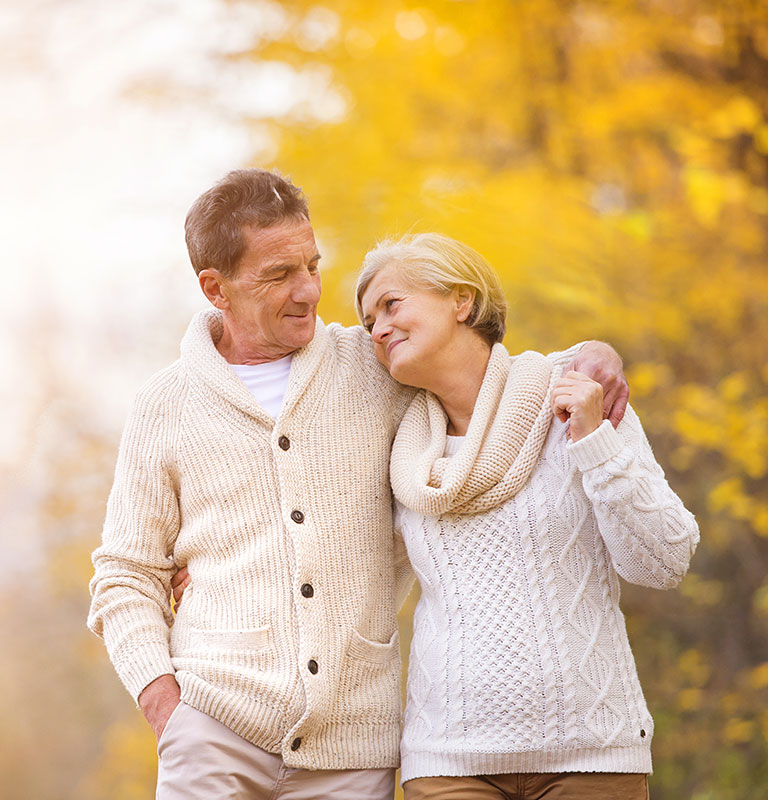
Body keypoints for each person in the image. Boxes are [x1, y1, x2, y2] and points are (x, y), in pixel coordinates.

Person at [87, 169, 627, 799]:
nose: (309, 291)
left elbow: (492, 378)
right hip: (211, 729)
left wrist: (594, 354)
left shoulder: (374, 366)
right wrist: (163, 700)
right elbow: (125, 574)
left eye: (311, 265)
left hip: (352, 748)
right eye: (279, 274)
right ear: (216, 288)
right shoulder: (166, 404)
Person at [354, 233, 699, 799]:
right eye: (368, 322)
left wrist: (593, 442)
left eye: (392, 304)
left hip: (590, 757)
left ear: (461, 301)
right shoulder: (399, 453)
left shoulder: (575, 398)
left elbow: (664, 561)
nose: (378, 329)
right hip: (446, 763)